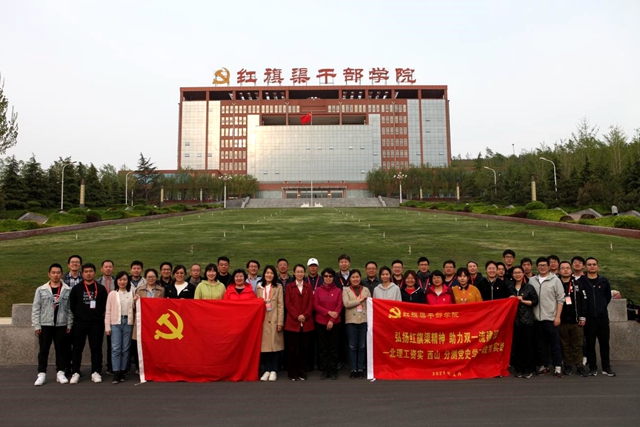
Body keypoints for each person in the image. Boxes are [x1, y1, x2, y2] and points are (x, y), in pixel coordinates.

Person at [32, 263, 73, 386]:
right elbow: (36, 308)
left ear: (61, 274)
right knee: (43, 350)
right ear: (49, 274)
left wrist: (69, 324)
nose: (56, 275)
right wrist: (37, 325)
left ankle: (60, 372)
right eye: (53, 273)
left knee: (61, 349)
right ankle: (41, 373)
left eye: (58, 273)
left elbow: (70, 309)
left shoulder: (67, 290)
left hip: (61, 324)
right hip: (46, 324)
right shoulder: (41, 290)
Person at [69, 263, 108, 384]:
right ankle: (75, 372)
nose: (88, 274)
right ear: (82, 273)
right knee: (77, 348)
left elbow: (104, 305)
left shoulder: (101, 288)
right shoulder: (77, 288)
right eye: (86, 272)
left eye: (91, 271)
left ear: (95, 273)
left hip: (96, 323)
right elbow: (72, 305)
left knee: (96, 348)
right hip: (80, 323)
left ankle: (96, 372)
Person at [529, 257, 564, 378]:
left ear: (549, 267)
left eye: (544, 265)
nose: (542, 267)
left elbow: (560, 299)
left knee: (555, 344)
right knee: (541, 345)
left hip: (551, 318)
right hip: (537, 319)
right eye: (540, 265)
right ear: (537, 267)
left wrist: (557, 316)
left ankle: (558, 366)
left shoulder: (555, 280)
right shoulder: (532, 280)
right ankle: (544, 366)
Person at [579, 257, 615, 377]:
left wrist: (602, 307)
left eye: (594, 264)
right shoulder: (581, 281)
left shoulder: (603, 281)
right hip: (589, 318)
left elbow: (607, 296)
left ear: (597, 266)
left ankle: (606, 367)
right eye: (589, 264)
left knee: (604, 343)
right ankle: (592, 367)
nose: (592, 266)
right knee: (590, 344)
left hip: (602, 317)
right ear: (585, 267)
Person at [132, 268, 165, 375]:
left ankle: (154, 366)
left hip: (156, 323)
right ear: (145, 278)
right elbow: (134, 307)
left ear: (156, 278)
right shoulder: (139, 290)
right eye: (149, 277)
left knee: (155, 346)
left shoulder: (161, 290)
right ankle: (140, 367)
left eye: (153, 277)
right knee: (141, 345)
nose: (151, 279)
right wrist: (135, 301)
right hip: (143, 322)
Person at [105, 271, 137, 384]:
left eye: (124, 280)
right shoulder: (112, 294)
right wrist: (107, 327)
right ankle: (116, 372)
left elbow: (135, 308)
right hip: (115, 323)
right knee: (116, 348)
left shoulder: (132, 293)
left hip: (128, 322)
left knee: (126, 348)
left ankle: (123, 371)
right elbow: (108, 311)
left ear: (128, 281)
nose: (122, 282)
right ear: (117, 281)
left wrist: (136, 300)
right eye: (120, 280)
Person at [284, 264, 314, 381]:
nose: (300, 274)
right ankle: (292, 373)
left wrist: (305, 315)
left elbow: (311, 303)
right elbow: (288, 304)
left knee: (303, 350)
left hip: (306, 322)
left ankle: (302, 372)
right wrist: (297, 316)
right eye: (298, 272)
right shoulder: (289, 287)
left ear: (304, 273)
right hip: (293, 322)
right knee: (292, 350)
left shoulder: (308, 286)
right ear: (294, 273)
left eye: (302, 272)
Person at [558, 261, 588, 377]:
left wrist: (582, 317)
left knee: (577, 345)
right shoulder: (556, 283)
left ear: (571, 270)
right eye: (563, 268)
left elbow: (584, 301)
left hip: (576, 321)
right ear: (559, 271)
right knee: (564, 345)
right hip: (561, 321)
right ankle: (567, 366)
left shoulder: (578, 284)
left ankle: (579, 366)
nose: (565, 270)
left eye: (567, 268)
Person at [508, 265, 538, 378]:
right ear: (512, 275)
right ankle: (518, 369)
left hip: (527, 321)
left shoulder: (529, 287)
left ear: (523, 273)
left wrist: (523, 300)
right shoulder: (510, 287)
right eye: (515, 273)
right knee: (517, 346)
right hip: (514, 321)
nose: (517, 275)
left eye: (519, 272)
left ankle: (528, 369)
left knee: (528, 345)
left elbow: (535, 301)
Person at [314, 267, 343, 380]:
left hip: (335, 323)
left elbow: (339, 305)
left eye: (330, 276)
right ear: (323, 277)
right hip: (321, 322)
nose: (328, 278)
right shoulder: (318, 290)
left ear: (333, 278)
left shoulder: (338, 291)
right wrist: (328, 312)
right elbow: (316, 305)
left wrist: (331, 320)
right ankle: (324, 370)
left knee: (333, 348)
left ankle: (333, 370)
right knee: (323, 348)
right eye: (326, 276)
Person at [256, 265, 284, 382]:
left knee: (275, 345)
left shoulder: (278, 287)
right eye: (267, 273)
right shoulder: (259, 287)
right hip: (263, 321)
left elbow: (280, 305)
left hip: (274, 319)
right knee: (265, 347)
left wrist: (280, 322)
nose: (269, 275)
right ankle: (267, 369)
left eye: (271, 273)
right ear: (264, 274)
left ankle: (274, 370)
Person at [342, 269, 370, 379]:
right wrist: (360, 300)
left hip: (363, 320)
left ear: (360, 278)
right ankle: (353, 368)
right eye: (353, 277)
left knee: (362, 346)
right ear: (350, 279)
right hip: (351, 321)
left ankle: (360, 368)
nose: (355, 279)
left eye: (357, 277)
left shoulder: (366, 290)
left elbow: (369, 304)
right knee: (352, 346)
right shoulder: (346, 290)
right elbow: (346, 303)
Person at [97, 260, 115, 374]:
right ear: (101, 269)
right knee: (97, 342)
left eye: (110, 267)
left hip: (113, 315)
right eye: (106, 267)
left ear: (113, 269)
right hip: (100, 315)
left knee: (112, 342)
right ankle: (97, 367)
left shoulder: (117, 282)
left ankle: (111, 365)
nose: (108, 269)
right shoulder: (97, 282)